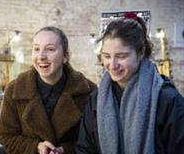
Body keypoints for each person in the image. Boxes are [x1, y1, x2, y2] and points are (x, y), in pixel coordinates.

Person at [76, 13, 184, 154]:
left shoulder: (168, 100)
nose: (112, 65)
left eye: (121, 56)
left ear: (141, 53)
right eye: (107, 56)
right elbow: (85, 148)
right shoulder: (96, 100)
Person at [0, 26, 97, 154]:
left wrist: (64, 150)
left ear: (65, 56)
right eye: (36, 49)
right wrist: (36, 147)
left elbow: (94, 139)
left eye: (50, 49)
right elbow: (6, 135)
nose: (41, 56)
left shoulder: (88, 92)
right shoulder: (14, 90)